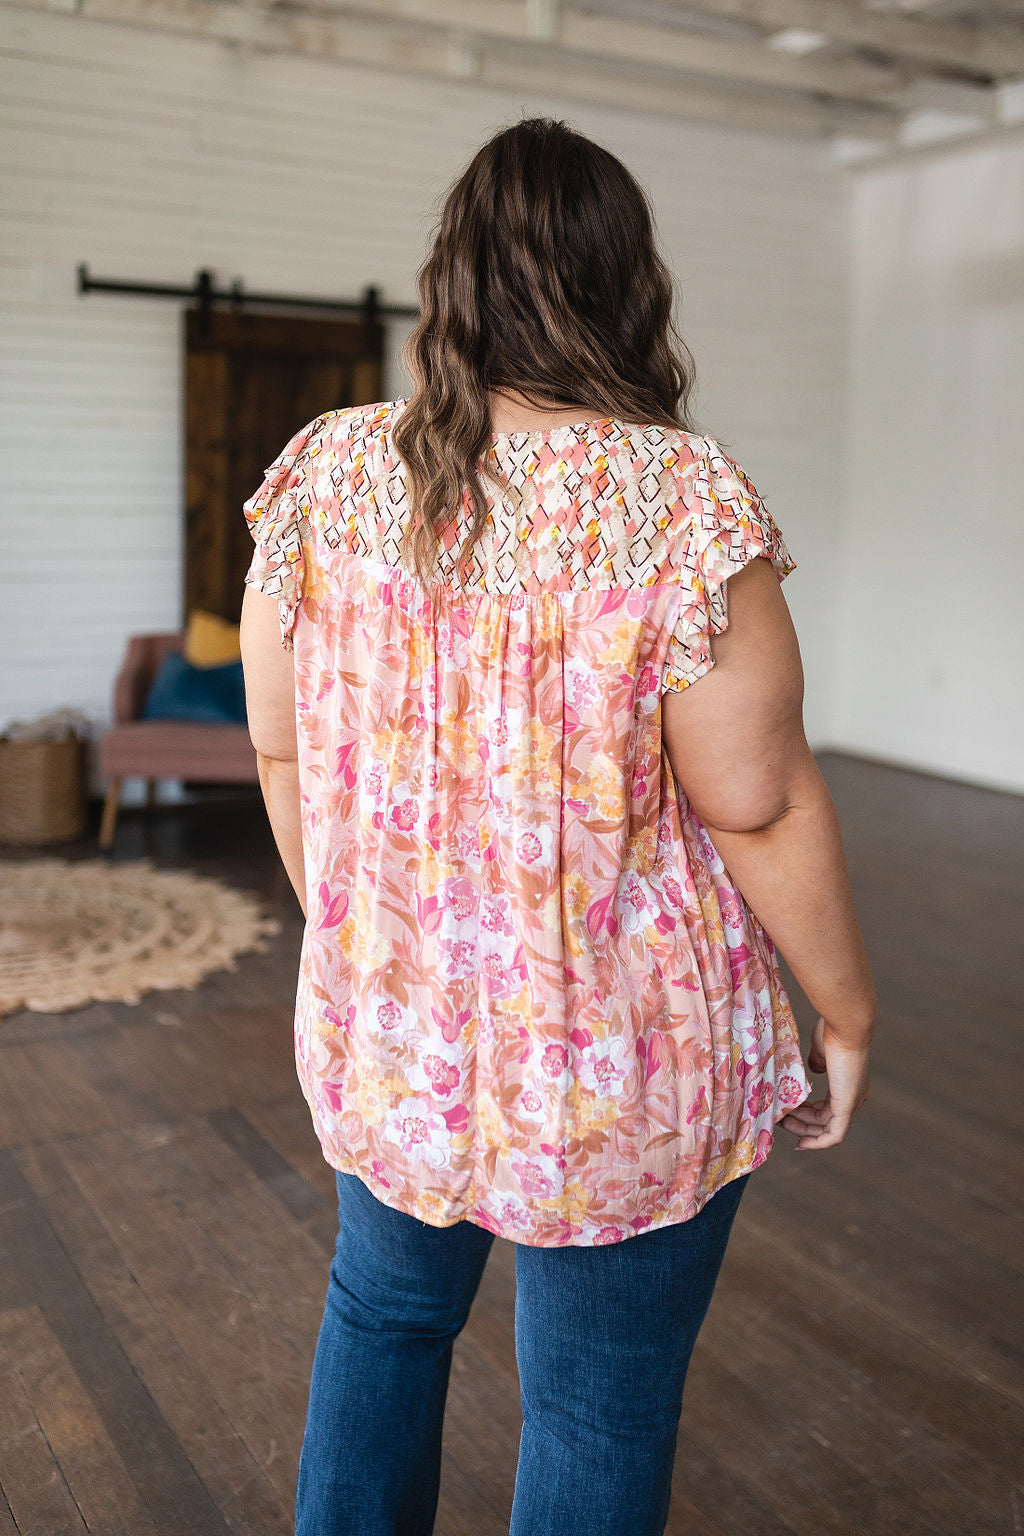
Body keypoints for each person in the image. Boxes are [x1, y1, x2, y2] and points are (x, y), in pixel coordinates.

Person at [239, 116, 876, 1536]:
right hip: (622, 1060)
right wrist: (845, 1010)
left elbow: (284, 749)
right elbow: (759, 800)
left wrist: (372, 939)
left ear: (447, 279)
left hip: (394, 1031)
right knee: (596, 1406)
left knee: (383, 1326)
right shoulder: (676, 498)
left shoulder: (327, 475)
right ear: (625, 285)